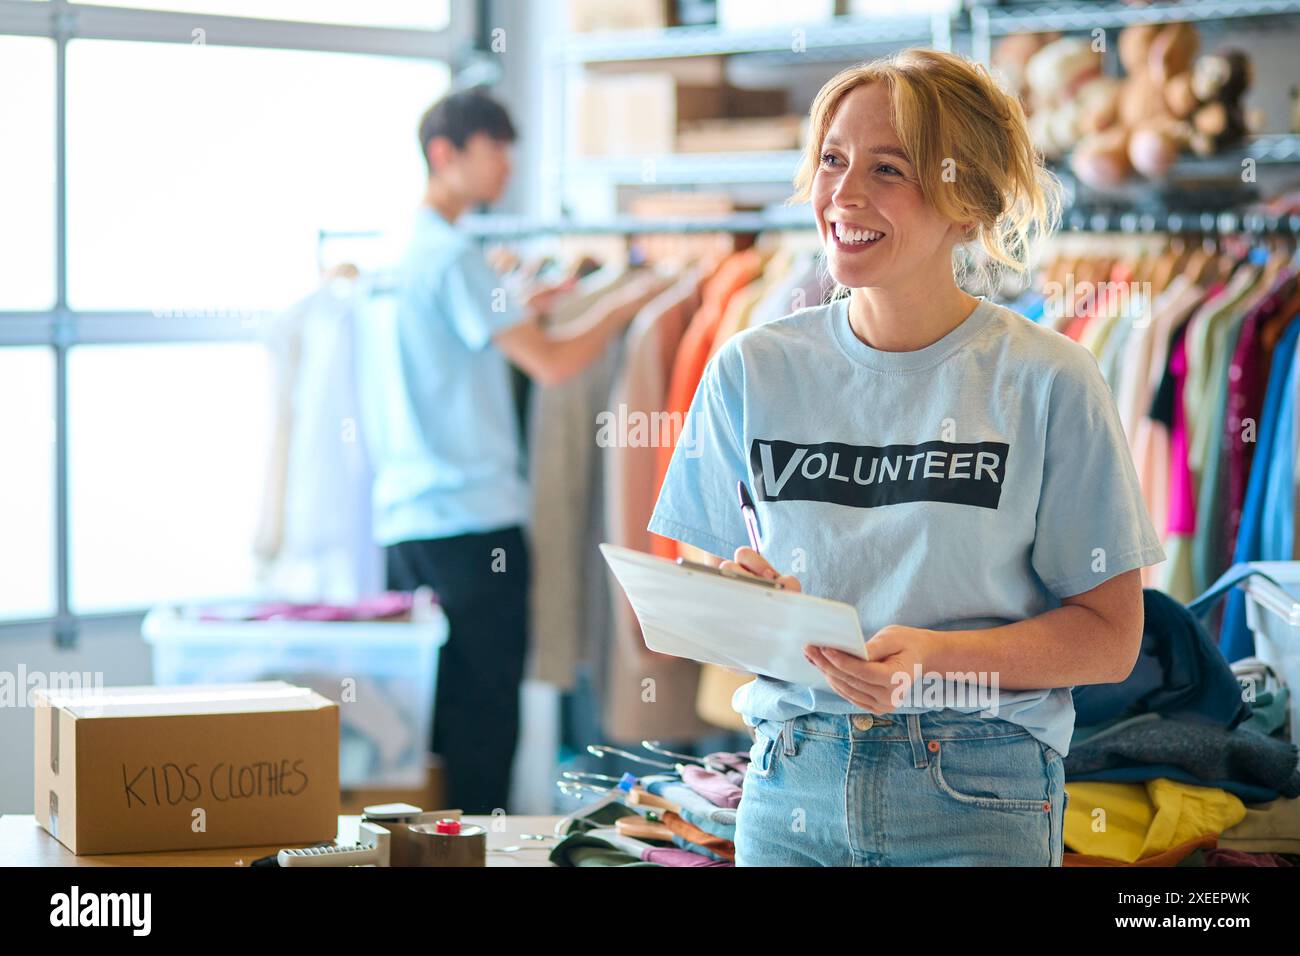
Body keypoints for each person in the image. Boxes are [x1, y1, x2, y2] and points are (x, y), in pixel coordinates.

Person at [647, 49, 1167, 866]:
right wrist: (744, 599)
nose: (843, 195)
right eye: (831, 159)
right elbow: (698, 571)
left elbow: (1109, 639)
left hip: (976, 790)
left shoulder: (1049, 380)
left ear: (968, 205)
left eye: (888, 169)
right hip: (791, 786)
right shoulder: (752, 368)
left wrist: (935, 660)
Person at [362, 89, 637, 814]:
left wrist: (523, 299)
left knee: (433, 727)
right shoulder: (457, 258)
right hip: (474, 526)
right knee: (483, 726)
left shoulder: (402, 254)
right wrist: (628, 304)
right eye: (495, 150)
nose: (507, 167)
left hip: (407, 526)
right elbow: (549, 363)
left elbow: (469, 336)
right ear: (445, 153)